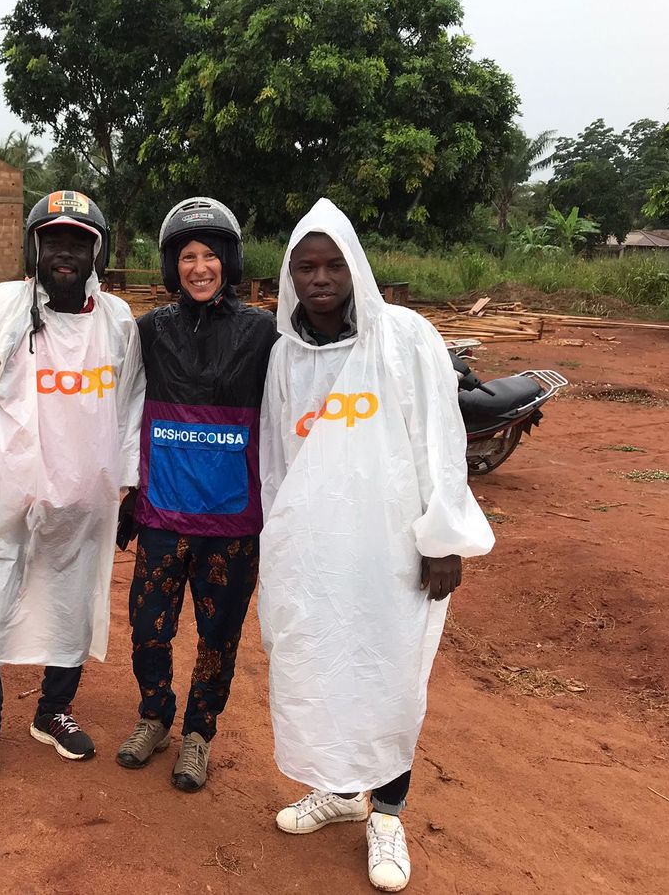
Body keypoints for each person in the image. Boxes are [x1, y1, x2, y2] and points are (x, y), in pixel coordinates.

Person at [258, 198, 495, 891]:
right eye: (307, 266)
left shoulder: (406, 339)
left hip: (392, 549)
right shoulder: (284, 359)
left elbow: (441, 443)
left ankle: (386, 815)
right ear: (290, 276)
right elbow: (277, 461)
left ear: (356, 267)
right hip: (314, 554)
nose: (322, 278)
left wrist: (443, 536)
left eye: (334, 264)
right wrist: (280, 547)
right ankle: (337, 793)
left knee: (389, 678)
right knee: (320, 668)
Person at [0, 190, 144, 779]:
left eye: (79, 241)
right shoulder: (1, 309)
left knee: (71, 607)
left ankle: (54, 711)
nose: (65, 253)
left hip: (83, 500)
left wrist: (129, 486)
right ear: (36, 247)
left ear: (96, 251)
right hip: (4, 494)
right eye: (54, 241)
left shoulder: (118, 322)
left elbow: (129, 408)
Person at [115, 197, 278, 792]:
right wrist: (123, 488)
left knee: (218, 635)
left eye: (211, 255)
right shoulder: (150, 331)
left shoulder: (263, 331)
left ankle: (198, 734)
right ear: (171, 265)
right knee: (148, 626)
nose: (200, 267)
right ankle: (155, 715)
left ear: (230, 260)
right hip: (163, 513)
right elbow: (121, 401)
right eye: (187, 256)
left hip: (233, 522)